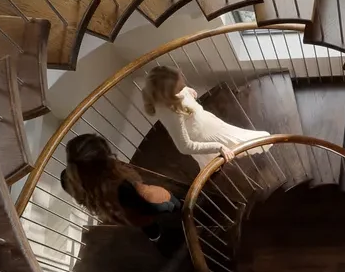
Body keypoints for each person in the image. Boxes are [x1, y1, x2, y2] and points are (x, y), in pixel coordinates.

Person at [60, 133, 179, 244]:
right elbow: (145, 209)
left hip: (126, 215)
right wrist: (168, 205)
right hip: (140, 213)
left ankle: (156, 236)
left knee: (148, 225)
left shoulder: (80, 184)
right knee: (168, 208)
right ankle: (162, 233)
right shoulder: (121, 187)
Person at [142, 65, 270, 168]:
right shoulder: (173, 113)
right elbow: (184, 147)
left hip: (209, 123)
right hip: (205, 138)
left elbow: (181, 91)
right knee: (250, 141)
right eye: (179, 84)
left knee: (238, 145)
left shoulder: (165, 94)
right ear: (170, 92)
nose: (183, 80)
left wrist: (187, 90)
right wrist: (217, 146)